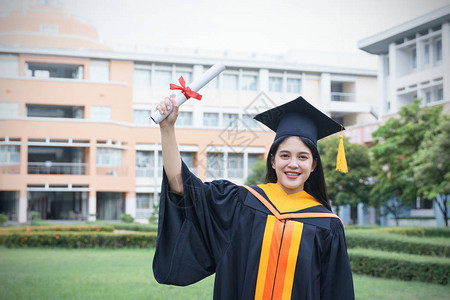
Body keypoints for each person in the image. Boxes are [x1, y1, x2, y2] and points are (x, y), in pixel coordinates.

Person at [153, 94, 355, 300]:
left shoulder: (327, 226)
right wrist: (167, 129)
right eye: (285, 155)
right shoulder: (240, 203)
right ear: (273, 161)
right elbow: (180, 186)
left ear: (313, 165)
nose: (293, 164)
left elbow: (336, 292)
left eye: (302, 157)